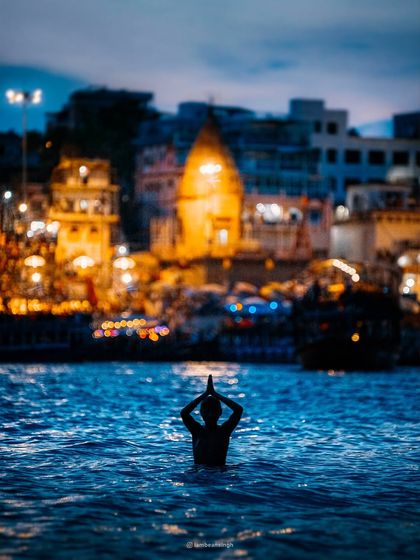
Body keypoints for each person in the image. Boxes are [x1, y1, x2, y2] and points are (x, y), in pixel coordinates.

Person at [180, 374, 243, 466]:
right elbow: (184, 413)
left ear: (220, 412)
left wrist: (215, 394)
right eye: (207, 411)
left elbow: (238, 410)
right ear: (201, 413)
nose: (210, 415)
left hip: (219, 475)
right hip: (199, 476)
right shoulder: (197, 431)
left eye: (214, 411)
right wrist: (205, 394)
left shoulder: (224, 431)